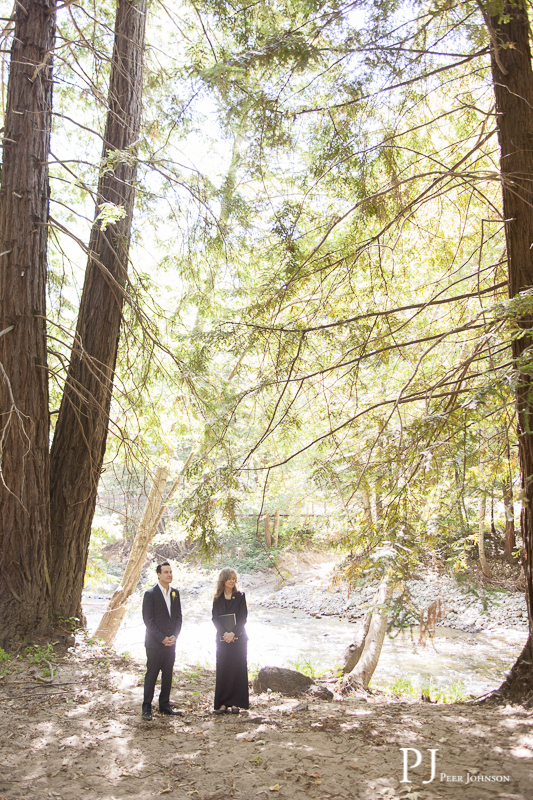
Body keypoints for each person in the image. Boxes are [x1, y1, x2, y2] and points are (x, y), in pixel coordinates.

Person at [141, 562, 183, 721]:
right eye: (166, 572)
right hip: (155, 643)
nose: (169, 575)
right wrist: (162, 638)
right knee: (151, 675)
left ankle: (164, 705)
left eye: (171, 572)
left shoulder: (175, 594)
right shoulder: (150, 594)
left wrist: (174, 636)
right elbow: (148, 620)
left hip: (171, 642)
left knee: (168, 675)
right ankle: (146, 707)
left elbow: (178, 618)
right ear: (158, 574)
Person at [212, 567, 249, 714]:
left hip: (238, 639)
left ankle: (236, 703)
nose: (232, 581)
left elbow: (243, 618)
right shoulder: (217, 598)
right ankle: (222, 703)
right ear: (223, 580)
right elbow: (215, 618)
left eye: (234, 579)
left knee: (237, 669)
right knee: (223, 669)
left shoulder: (240, 596)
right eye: (229, 579)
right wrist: (224, 634)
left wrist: (233, 633)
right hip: (222, 640)